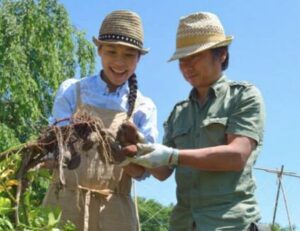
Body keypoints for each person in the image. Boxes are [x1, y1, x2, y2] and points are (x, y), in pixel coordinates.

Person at [125, 12, 269, 231]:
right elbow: (163, 172)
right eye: (182, 60)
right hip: (184, 223)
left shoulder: (243, 96)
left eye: (195, 56)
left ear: (221, 54)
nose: (187, 66)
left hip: (230, 223)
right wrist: (138, 150)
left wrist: (173, 155)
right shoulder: (179, 113)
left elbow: (237, 155)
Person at [42, 10, 158, 231]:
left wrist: (123, 157)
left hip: (115, 213)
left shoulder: (144, 107)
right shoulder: (72, 91)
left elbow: (144, 171)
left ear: (139, 58)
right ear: (99, 50)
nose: (119, 62)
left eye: (129, 55)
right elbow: (54, 152)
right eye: (111, 51)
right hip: (63, 205)